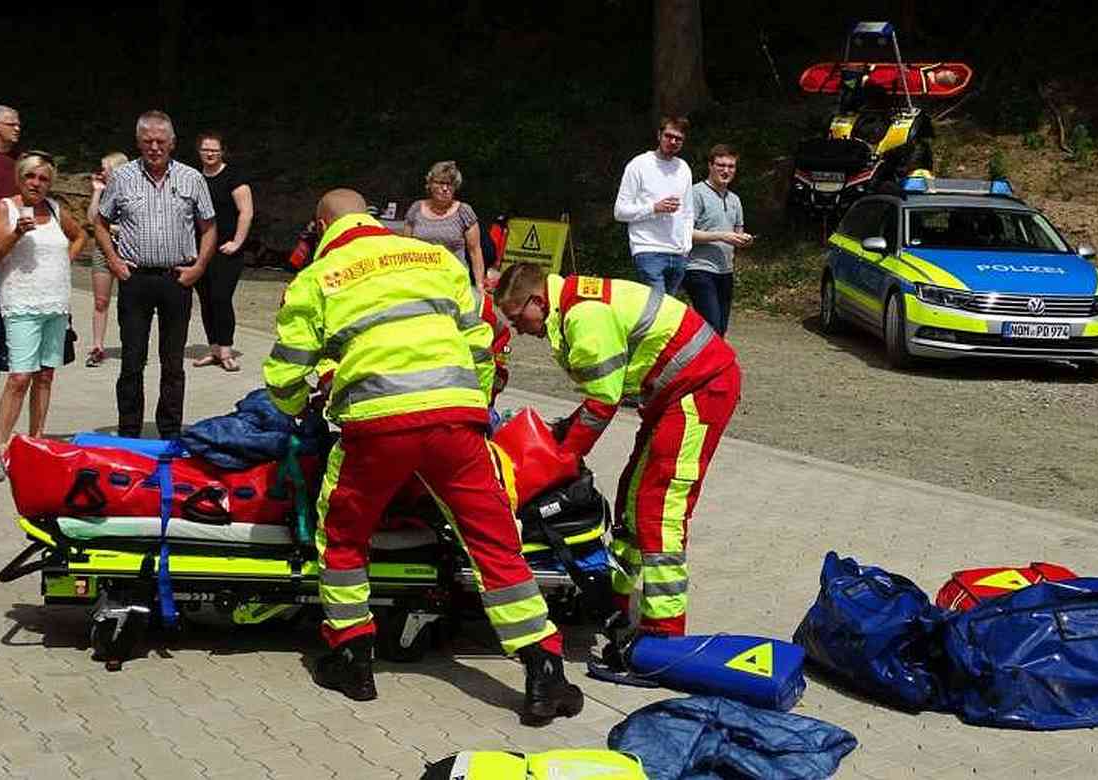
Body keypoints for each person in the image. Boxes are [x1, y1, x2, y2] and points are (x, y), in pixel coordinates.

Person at [263, 189, 582, 725]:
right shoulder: (434, 257)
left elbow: (285, 373)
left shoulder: (317, 278)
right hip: (455, 420)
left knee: (343, 535)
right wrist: (473, 402)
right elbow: (484, 339)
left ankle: (352, 658)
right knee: (495, 541)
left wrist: (303, 405)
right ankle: (544, 670)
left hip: (376, 424)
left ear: (322, 225)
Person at [493, 262, 741, 639]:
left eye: (516, 317)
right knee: (631, 499)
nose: (517, 330)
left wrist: (564, 456)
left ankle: (664, 631)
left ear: (537, 300)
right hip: (674, 394)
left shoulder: (584, 316)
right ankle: (614, 599)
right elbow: (602, 395)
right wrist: (565, 433)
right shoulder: (576, 302)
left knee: (660, 507)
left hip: (700, 391)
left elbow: (601, 404)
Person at [94, 110, 216, 439]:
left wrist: (199, 267)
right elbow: (101, 224)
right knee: (132, 360)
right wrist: (114, 261)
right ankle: (129, 431)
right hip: (136, 281)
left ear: (173, 143)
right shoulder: (121, 178)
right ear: (138, 143)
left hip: (177, 280)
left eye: (161, 141)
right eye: (147, 141)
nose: (154, 147)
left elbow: (209, 227)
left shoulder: (192, 178)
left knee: (173, 363)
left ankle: (170, 432)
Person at [0, 152, 86, 480]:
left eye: (43, 178)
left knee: (45, 376)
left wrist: (63, 262)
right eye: (31, 176)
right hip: (21, 304)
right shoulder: (6, 208)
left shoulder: (56, 210)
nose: (37, 183)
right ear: (20, 177)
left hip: (55, 304)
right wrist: (15, 233)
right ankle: (0, 450)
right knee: (19, 377)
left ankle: (36, 442)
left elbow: (80, 236)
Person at [192, 131, 253, 372]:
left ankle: (226, 350)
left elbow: (246, 212)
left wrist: (237, 242)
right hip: (199, 249)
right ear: (199, 152)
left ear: (222, 152)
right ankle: (214, 348)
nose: (209, 154)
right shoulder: (194, 178)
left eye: (214, 150)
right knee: (205, 299)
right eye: (205, 149)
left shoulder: (234, 177)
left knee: (220, 297)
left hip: (226, 250)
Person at [613, 116, 694, 294]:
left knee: (668, 313)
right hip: (648, 250)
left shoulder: (683, 168)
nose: (673, 141)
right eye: (668, 136)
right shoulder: (639, 165)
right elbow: (619, 212)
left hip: (678, 253)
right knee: (656, 310)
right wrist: (653, 208)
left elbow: (688, 212)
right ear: (659, 135)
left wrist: (686, 247)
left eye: (678, 139)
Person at [684, 144, 753, 336]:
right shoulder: (695, 193)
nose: (726, 171)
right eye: (721, 165)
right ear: (710, 166)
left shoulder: (735, 200)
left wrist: (744, 240)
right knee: (711, 326)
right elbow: (685, 234)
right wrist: (722, 235)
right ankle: (702, 364)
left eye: (731, 166)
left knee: (720, 329)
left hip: (725, 271)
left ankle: (708, 365)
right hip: (698, 269)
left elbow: (738, 234)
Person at [403, 160, 485, 288]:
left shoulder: (464, 211)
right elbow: (405, 248)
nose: (445, 188)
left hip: (453, 281)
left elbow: (475, 251)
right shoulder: (416, 209)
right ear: (429, 184)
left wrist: (480, 285)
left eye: (450, 184)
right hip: (420, 280)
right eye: (440, 183)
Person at [84, 152, 129, 367]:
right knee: (101, 301)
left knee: (130, 303)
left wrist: (111, 227)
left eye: (106, 168)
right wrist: (97, 192)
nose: (102, 172)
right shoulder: (103, 192)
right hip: (103, 251)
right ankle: (97, 346)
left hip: (127, 253)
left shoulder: (131, 191)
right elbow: (92, 219)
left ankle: (133, 345)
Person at [0, 105, 23, 380]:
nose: (17, 128)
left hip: (16, 244)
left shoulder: (19, 162)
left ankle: (3, 352)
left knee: (8, 302)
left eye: (18, 124)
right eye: (11, 124)